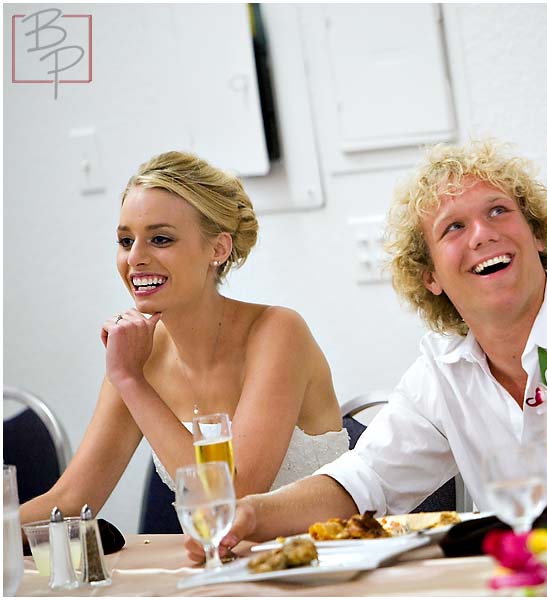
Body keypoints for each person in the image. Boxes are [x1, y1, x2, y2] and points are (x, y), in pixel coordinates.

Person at [185, 139, 547, 561]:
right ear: (431, 277)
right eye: (454, 228)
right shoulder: (442, 373)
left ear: (536, 234)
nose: (483, 234)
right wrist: (252, 515)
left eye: (499, 212)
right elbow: (365, 481)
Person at [20, 151, 348, 527]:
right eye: (126, 241)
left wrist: (131, 380)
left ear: (218, 249)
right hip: (220, 568)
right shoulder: (141, 352)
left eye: (160, 239)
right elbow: (71, 500)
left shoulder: (278, 332)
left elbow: (232, 499)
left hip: (319, 565)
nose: (136, 258)